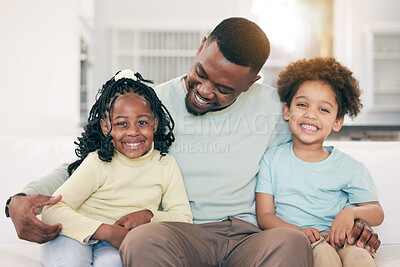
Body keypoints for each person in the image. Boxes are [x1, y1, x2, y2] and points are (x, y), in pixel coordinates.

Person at [5, 17, 380, 266]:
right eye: (200, 73)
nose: (202, 91)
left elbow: (317, 158)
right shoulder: (148, 104)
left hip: (245, 235)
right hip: (177, 232)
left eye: (223, 89)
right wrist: (18, 200)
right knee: (139, 242)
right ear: (201, 46)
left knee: (292, 245)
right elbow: (88, 161)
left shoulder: (273, 109)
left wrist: (353, 219)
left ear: (251, 83)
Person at [40, 69, 193, 267]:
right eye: (122, 124)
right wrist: (106, 231)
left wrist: (149, 216)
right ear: (106, 127)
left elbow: (183, 220)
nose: (133, 132)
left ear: (155, 124)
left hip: (119, 243)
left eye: (142, 122)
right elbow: (52, 210)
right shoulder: (98, 162)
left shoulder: (165, 165)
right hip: (74, 237)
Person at [256, 57, 384, 267]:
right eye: (302, 104)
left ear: (337, 122)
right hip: (303, 240)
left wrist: (349, 213)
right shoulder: (271, 159)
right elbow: (265, 216)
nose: (311, 114)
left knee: (359, 257)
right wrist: (299, 232)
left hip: (344, 239)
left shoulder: (350, 167)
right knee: (323, 255)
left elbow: (376, 212)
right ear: (287, 111)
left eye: (323, 109)